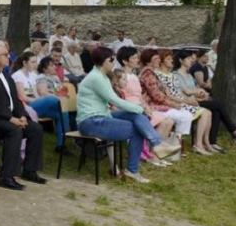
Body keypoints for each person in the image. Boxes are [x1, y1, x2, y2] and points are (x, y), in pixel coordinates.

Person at [76, 46, 180, 183]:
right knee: (136, 126)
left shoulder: (103, 76)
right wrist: (140, 108)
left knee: (137, 117)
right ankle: (134, 169)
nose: (114, 62)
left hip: (103, 116)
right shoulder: (96, 78)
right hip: (90, 122)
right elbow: (114, 100)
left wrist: (139, 109)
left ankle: (157, 145)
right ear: (102, 61)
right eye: (111, 59)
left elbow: (115, 102)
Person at [0, 41, 48, 190]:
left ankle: (29, 170)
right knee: (14, 131)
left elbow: (16, 100)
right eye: (5, 55)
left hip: (7, 117)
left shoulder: (6, 76)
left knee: (35, 129)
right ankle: (6, 176)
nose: (9, 57)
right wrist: (11, 118)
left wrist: (22, 116)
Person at [173, 49, 236, 149]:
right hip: (188, 103)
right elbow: (186, 91)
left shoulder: (189, 75)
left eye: (191, 58)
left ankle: (212, 142)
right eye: (188, 58)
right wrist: (198, 92)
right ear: (181, 60)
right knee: (219, 105)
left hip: (196, 100)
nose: (191, 60)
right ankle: (233, 130)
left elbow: (196, 90)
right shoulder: (176, 75)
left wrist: (200, 93)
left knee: (216, 111)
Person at [115, 46, 178, 166]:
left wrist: (146, 107)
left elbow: (139, 95)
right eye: (133, 58)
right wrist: (142, 108)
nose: (137, 60)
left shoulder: (134, 75)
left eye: (136, 57)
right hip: (130, 107)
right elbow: (121, 96)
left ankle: (157, 154)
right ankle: (154, 154)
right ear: (124, 61)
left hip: (140, 105)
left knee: (168, 121)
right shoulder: (120, 76)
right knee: (161, 121)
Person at [138, 48, 208, 153]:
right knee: (183, 116)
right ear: (148, 61)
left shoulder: (152, 73)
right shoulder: (148, 73)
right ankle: (169, 148)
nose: (158, 60)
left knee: (187, 115)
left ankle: (174, 146)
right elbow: (158, 96)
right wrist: (174, 104)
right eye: (155, 58)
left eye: (158, 58)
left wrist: (178, 102)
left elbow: (166, 93)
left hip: (162, 103)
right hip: (152, 106)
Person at [153, 49, 217, 155]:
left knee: (208, 112)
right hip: (170, 103)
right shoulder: (158, 75)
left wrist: (191, 100)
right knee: (205, 113)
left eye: (171, 59)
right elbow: (167, 96)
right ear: (162, 61)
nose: (171, 61)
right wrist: (186, 101)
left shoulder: (171, 75)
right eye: (168, 59)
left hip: (180, 101)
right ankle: (196, 144)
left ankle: (203, 143)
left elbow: (179, 92)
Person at [11, 53, 70, 154]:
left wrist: (39, 100)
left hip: (36, 105)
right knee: (51, 99)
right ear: (25, 63)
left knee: (62, 113)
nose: (35, 65)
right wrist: (40, 100)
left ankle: (61, 145)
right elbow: (22, 97)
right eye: (32, 62)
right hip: (25, 107)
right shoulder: (18, 75)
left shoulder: (33, 75)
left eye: (36, 62)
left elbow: (35, 93)